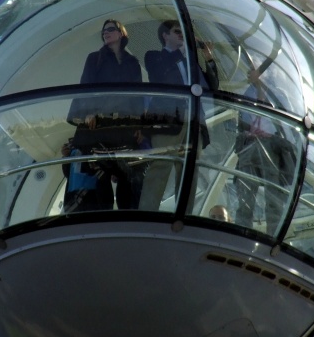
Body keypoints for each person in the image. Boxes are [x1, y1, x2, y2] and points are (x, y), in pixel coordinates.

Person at [139, 20, 219, 211]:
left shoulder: (189, 62)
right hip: (168, 121)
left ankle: (184, 216)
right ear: (165, 36)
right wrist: (182, 51)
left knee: (189, 172)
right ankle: (147, 214)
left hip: (193, 123)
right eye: (177, 31)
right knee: (160, 167)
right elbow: (159, 75)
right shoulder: (154, 56)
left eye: (183, 32)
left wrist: (208, 59)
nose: (181, 34)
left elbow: (211, 86)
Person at [66, 19, 145, 210]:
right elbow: (86, 86)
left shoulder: (132, 62)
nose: (105, 33)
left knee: (129, 174)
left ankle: (130, 219)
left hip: (121, 127)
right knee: (97, 173)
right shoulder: (95, 58)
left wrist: (140, 126)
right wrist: (88, 112)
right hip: (98, 125)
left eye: (110, 30)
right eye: (103, 31)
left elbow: (138, 96)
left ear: (121, 34)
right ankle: (100, 215)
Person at [234, 63, 297, 233]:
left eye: (255, 70)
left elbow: (287, 122)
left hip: (271, 146)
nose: (250, 74)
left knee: (273, 194)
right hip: (250, 145)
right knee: (245, 192)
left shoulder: (278, 94)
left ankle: (273, 234)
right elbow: (241, 121)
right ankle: (242, 232)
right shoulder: (247, 94)